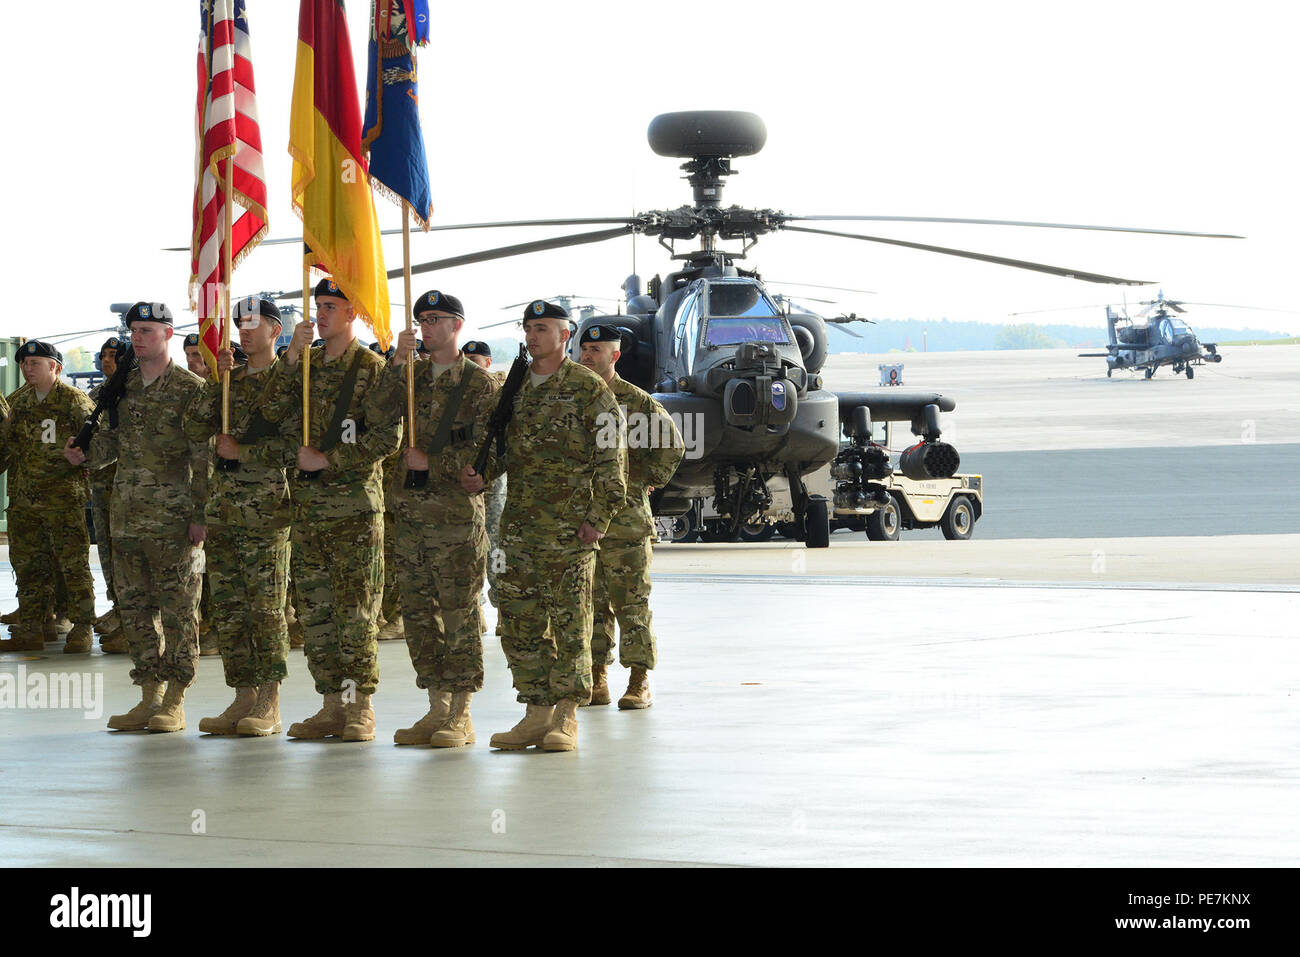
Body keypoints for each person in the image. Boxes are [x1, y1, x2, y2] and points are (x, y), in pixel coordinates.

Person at [460, 300, 625, 752]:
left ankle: (567, 715)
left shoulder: (590, 390)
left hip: (569, 531)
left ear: (564, 335)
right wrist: (481, 474)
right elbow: (499, 450)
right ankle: (536, 711)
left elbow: (613, 465)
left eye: (543, 328)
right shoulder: (513, 388)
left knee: (571, 624)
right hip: (517, 530)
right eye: (529, 328)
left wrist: (598, 519)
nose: (533, 336)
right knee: (518, 621)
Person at [257, 277, 401, 742]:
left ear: (353, 313)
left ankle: (360, 707)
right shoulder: (305, 363)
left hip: (354, 509)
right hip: (307, 509)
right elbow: (268, 412)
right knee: (316, 611)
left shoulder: (372, 367)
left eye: (332, 307)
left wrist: (330, 459)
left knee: (356, 611)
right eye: (318, 305)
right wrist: (291, 357)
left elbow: (387, 437)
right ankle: (330, 704)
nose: (321, 314)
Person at [64, 302, 209, 732]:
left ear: (168, 334)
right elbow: (112, 445)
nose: (138, 338)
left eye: (147, 330)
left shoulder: (190, 389)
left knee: (179, 611)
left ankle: (177, 698)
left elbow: (203, 458)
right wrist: (83, 452)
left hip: (174, 519)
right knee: (135, 610)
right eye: (134, 331)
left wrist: (201, 514)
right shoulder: (121, 387)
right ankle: (149, 695)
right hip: (126, 517)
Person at [374, 291, 497, 747]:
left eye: (436, 319)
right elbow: (374, 416)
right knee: (418, 615)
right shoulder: (411, 378)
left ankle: (461, 712)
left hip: (455, 521)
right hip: (408, 517)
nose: (426, 327)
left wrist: (436, 464)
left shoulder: (479, 386)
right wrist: (394, 365)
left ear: (457, 326)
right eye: (421, 320)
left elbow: (489, 453)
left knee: (458, 613)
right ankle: (437, 706)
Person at [182, 297, 294, 736]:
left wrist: (244, 451)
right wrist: (216, 382)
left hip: (264, 510)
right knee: (229, 609)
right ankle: (243, 694)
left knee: (265, 607)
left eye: (254, 324)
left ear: (275, 330)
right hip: (224, 508)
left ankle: (270, 698)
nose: (244, 331)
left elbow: (295, 449)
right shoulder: (231, 380)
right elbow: (194, 425)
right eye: (239, 324)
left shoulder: (287, 382)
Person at [577, 324, 684, 709]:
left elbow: (672, 446)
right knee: (591, 603)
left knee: (631, 602)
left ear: (615, 356)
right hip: (583, 518)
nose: (587, 356)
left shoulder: (635, 401)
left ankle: (639, 680)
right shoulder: (573, 397)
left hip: (625, 521)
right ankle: (598, 677)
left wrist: (641, 479)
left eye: (596, 350)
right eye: (584, 349)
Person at [0, 341, 97, 653]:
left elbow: (97, 443)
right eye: (25, 363)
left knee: (73, 565)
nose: (28, 369)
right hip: (24, 501)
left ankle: (82, 626)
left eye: (35, 363)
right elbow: (7, 446)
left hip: (63, 500)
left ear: (55, 367)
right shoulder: (18, 402)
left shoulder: (73, 401)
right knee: (28, 565)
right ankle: (32, 626)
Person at [87, 338, 127, 653]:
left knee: (128, 554)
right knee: (107, 551)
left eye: (114, 356)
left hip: (128, 489)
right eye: (103, 356)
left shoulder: (133, 394)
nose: (107, 361)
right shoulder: (97, 396)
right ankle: (118, 605)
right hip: (101, 488)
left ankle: (131, 617)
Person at [462, 340, 507, 608]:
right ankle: (474, 606)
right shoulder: (457, 398)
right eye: (465, 361)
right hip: (465, 484)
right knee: (468, 548)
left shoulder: (498, 396)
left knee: (498, 548)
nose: (469, 367)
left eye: (475, 361)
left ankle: (503, 605)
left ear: (488, 364)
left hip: (494, 486)